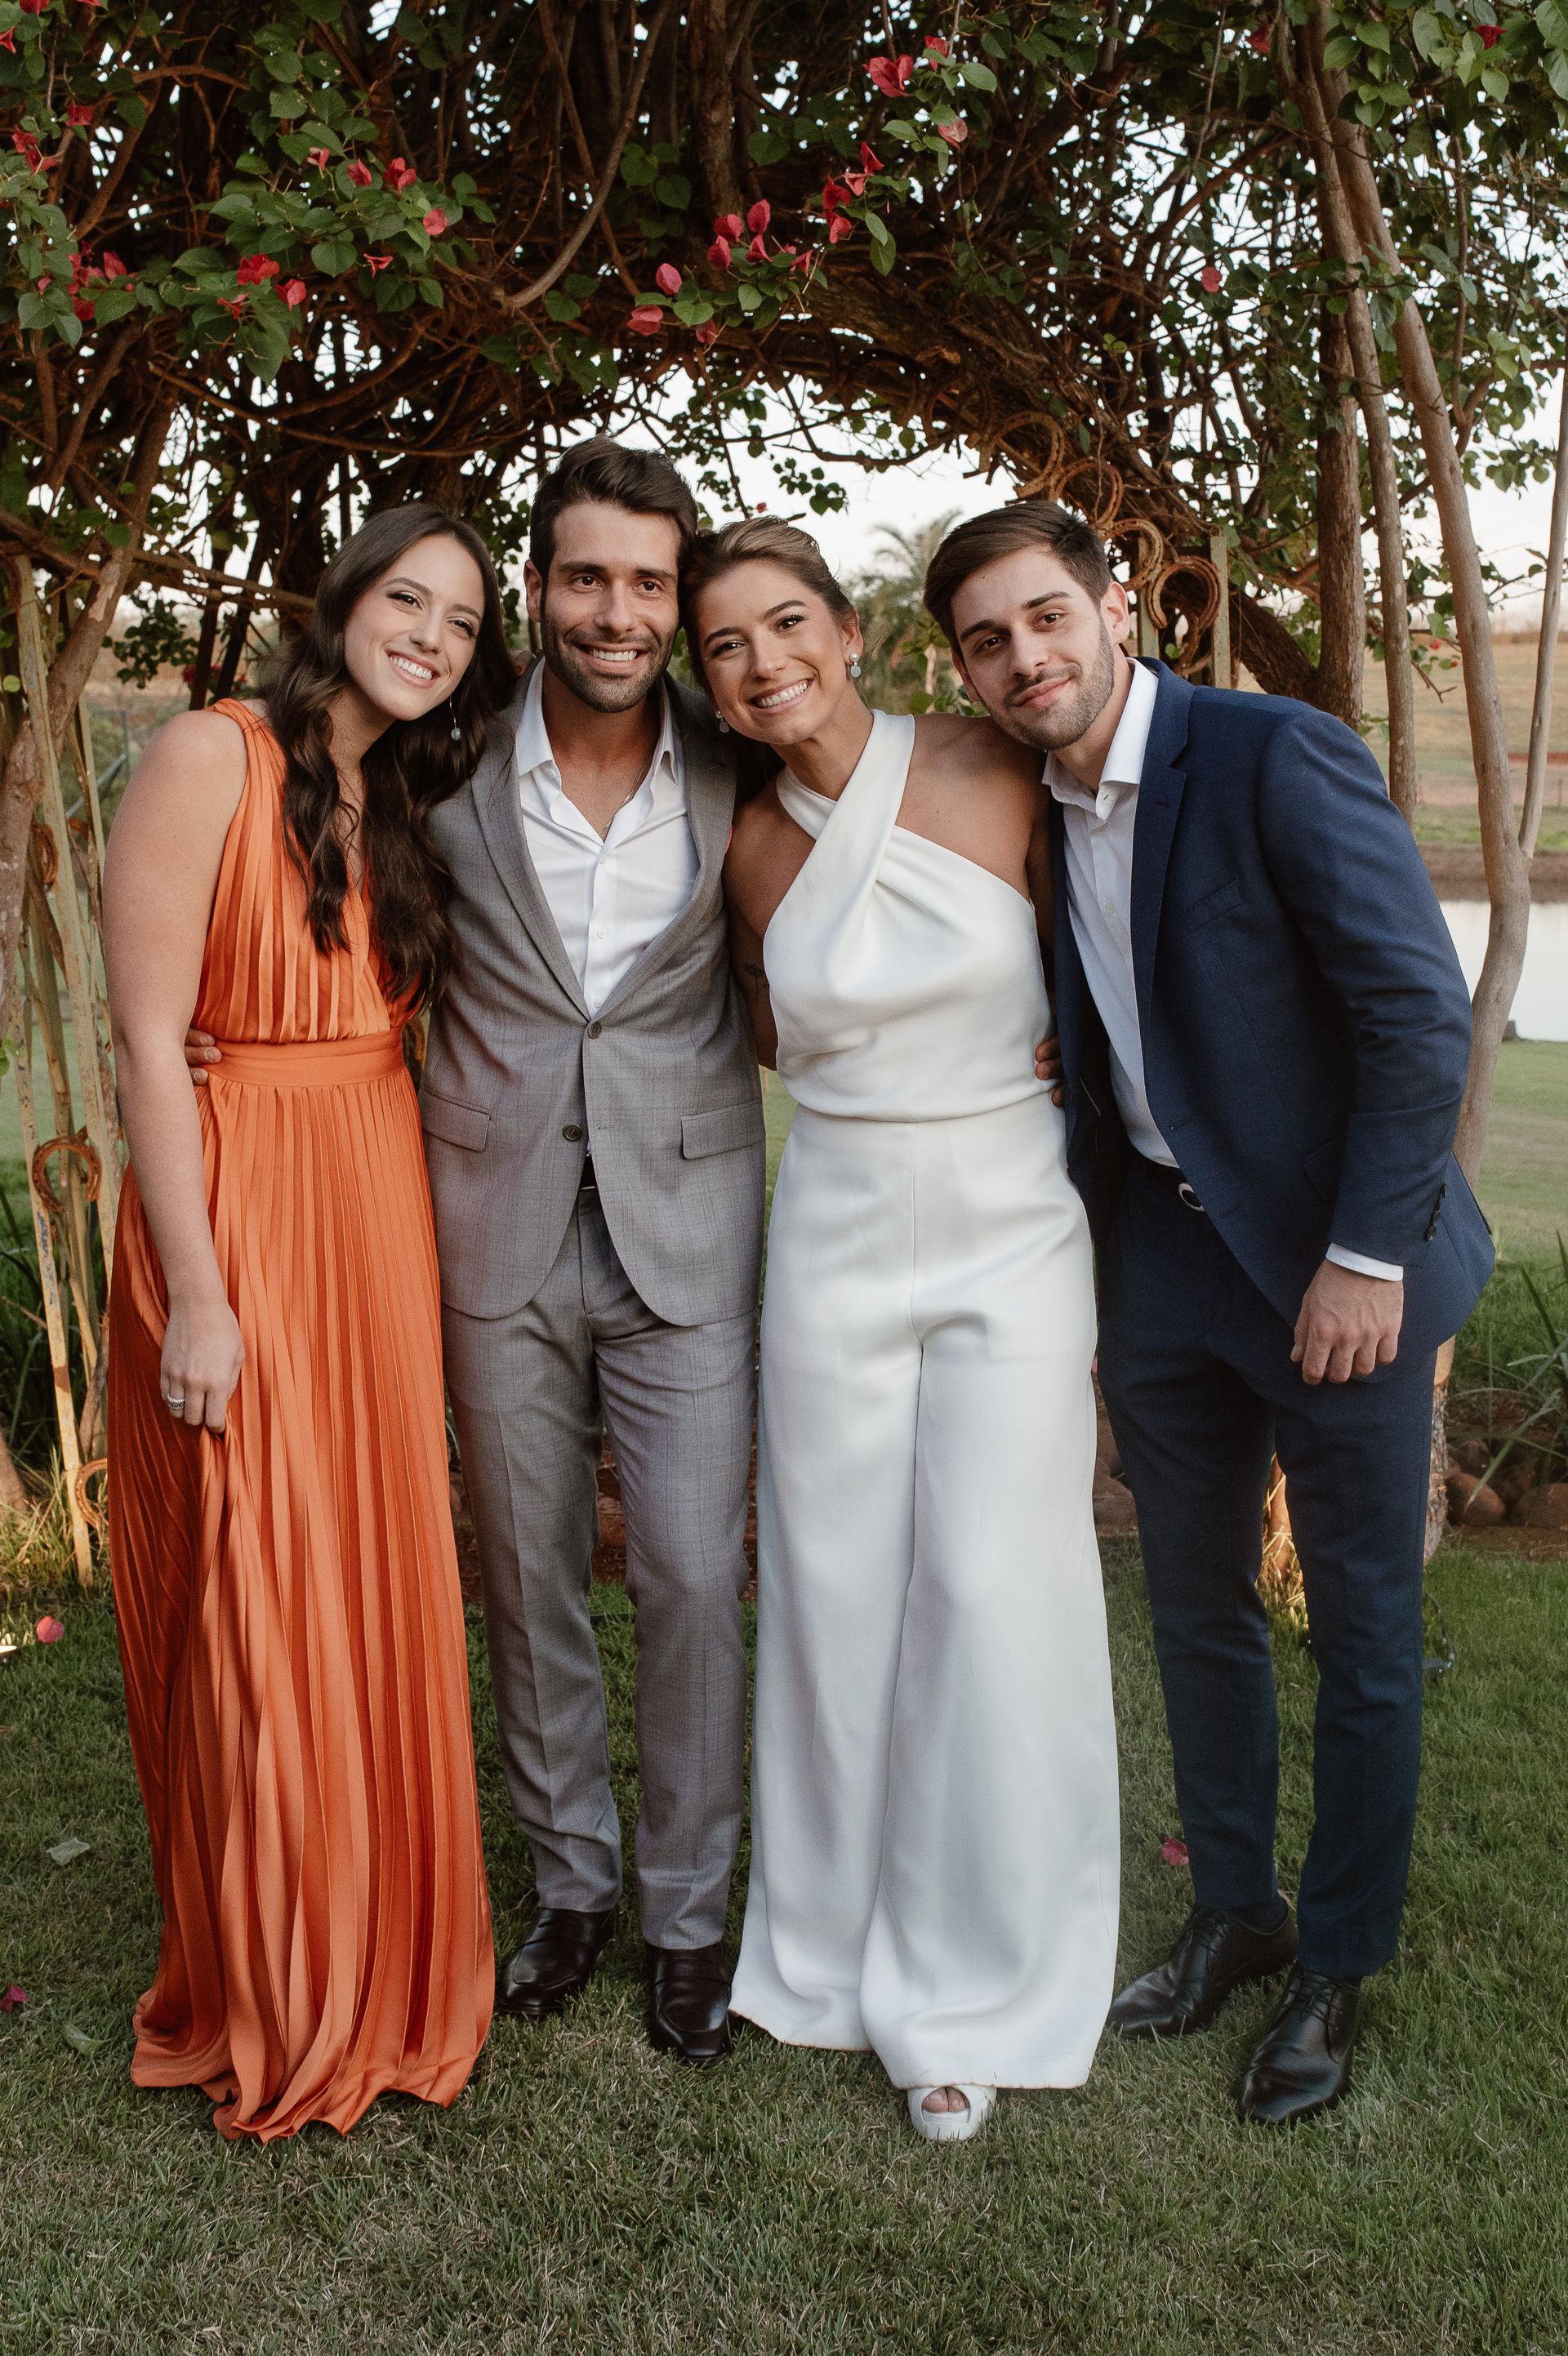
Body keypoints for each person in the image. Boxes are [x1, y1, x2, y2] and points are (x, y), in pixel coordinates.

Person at [924, 501, 1494, 2125]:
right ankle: (1233, 1913)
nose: (1025, 658)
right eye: (986, 640)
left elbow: (1415, 1012)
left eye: (1046, 617)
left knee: (1367, 1640)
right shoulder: (1024, 808)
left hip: (1339, 1265)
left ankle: (1335, 1965)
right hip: (1160, 1260)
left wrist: (1368, 1261)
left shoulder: (1269, 756)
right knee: (1193, 1612)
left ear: (1117, 603)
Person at [703, 517, 1120, 2143]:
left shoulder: (986, 760)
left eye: (786, 623)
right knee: (830, 1591)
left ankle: (974, 1981)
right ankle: (817, 1949)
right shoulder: (743, 845)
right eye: (725, 646)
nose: (763, 663)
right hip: (837, 1238)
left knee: (993, 1588)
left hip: (1015, 1228)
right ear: (715, 689)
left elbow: (1101, 967)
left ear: (852, 625)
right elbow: (765, 1030)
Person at [105, 505, 514, 2140]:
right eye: (405, 598)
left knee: (379, 1569)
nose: (429, 633)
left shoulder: (406, 794)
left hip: (374, 1207)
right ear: (338, 601)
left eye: (465, 622)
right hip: (243, 1214)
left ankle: (400, 1955)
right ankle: (284, 1981)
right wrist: (197, 1294)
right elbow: (144, 1041)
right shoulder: (212, 754)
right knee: (264, 1586)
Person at [416, 439, 764, 2064]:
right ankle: (572, 1887)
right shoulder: (449, 766)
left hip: (686, 1227)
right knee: (528, 1570)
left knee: (694, 1574)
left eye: (649, 580)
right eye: (585, 577)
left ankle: (690, 1915)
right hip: (492, 1223)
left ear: (678, 596)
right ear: (537, 588)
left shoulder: (738, 757)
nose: (618, 611)